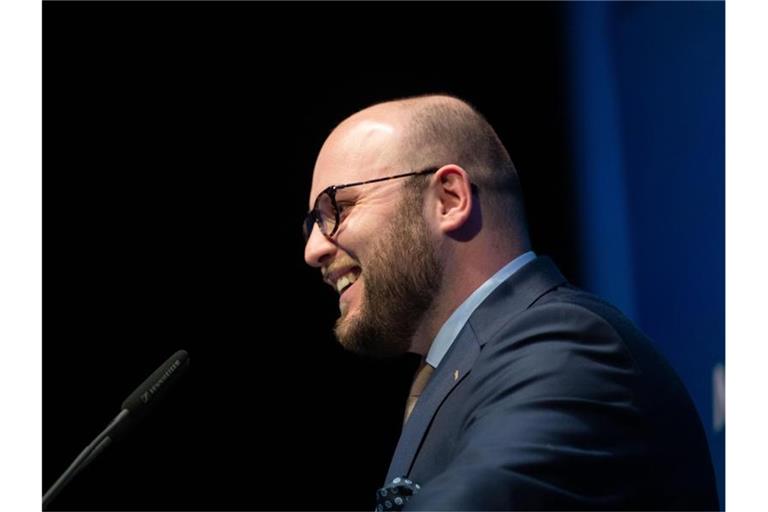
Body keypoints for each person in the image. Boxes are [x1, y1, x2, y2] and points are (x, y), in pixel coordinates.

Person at [302, 95, 719, 510]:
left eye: (338, 208)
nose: (313, 249)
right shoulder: (465, 367)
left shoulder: (566, 346)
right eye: (312, 224)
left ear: (449, 199)